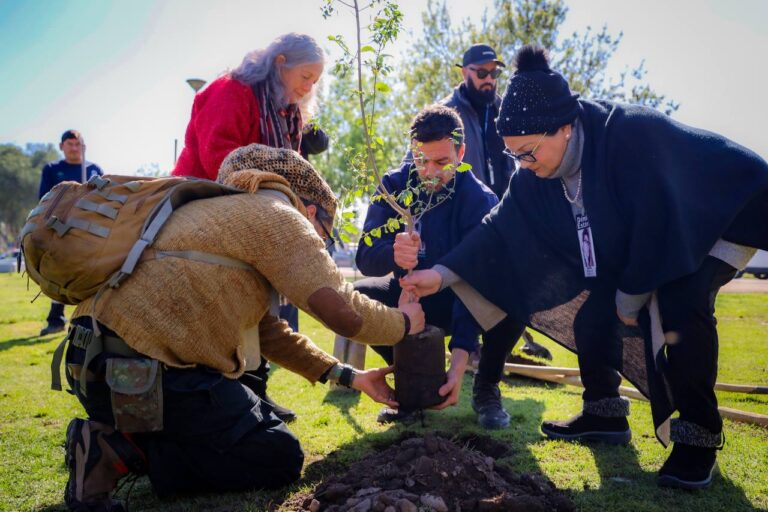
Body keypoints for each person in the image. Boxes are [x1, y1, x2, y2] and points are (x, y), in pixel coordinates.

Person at [401, 45, 768, 490]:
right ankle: (604, 413)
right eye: (515, 155)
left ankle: (699, 439)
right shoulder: (533, 172)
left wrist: (630, 299)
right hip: (659, 234)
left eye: (530, 153)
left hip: (723, 209)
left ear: (566, 129)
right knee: (594, 308)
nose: (524, 165)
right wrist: (440, 274)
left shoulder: (629, 134)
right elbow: (496, 228)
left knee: (681, 303)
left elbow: (658, 222)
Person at [60, 144, 424, 511]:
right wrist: (404, 323)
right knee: (278, 455)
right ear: (311, 211)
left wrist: (350, 377)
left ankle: (119, 437)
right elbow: (344, 312)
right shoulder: (280, 217)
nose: (320, 247)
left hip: (94, 365)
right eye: (324, 237)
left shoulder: (212, 213)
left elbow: (266, 332)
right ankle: (119, 450)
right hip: (143, 375)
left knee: (252, 413)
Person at [172, 32, 325, 421]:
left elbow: (289, 165)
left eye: (315, 81)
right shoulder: (230, 91)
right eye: (305, 76)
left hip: (254, 214)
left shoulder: (286, 110)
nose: (309, 87)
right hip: (202, 208)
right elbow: (220, 158)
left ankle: (256, 393)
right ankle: (230, 397)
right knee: (229, 305)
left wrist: (301, 201)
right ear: (280, 62)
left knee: (260, 304)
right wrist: (276, 197)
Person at [353, 105, 525, 428]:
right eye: (421, 161)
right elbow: (364, 255)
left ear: (460, 152)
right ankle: (412, 380)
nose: (430, 172)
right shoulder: (393, 186)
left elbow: (474, 280)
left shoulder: (478, 199)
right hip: (410, 299)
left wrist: (459, 359)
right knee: (358, 300)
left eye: (441, 162)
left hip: (464, 298)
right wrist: (394, 254)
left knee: (516, 298)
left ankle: (486, 384)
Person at [443, 43, 551, 360]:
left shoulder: (506, 110)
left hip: (504, 212)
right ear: (465, 73)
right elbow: (422, 159)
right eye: (481, 72)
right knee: (470, 278)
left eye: (493, 72)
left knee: (514, 277)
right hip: (464, 212)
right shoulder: (449, 113)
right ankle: (473, 350)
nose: (489, 79)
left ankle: (505, 346)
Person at [38, 129, 103, 336]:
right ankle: (56, 319)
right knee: (60, 273)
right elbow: (44, 199)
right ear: (61, 146)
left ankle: (92, 319)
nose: (74, 148)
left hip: (90, 232)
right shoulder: (51, 169)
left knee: (92, 273)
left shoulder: (94, 169)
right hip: (61, 230)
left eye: (78, 144)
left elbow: (105, 199)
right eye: (70, 144)